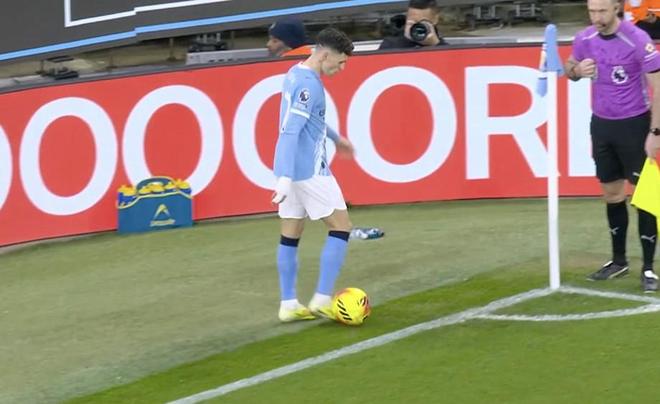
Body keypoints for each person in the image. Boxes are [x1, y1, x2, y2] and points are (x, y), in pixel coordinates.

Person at [565, 0, 660, 292]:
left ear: (616, 8)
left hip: (634, 124)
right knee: (611, 192)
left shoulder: (637, 39)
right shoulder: (585, 38)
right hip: (602, 124)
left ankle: (648, 267)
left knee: (644, 196)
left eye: (602, 11)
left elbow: (658, 86)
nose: (596, 17)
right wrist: (577, 70)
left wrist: (655, 131)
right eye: (592, 11)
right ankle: (619, 261)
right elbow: (568, 67)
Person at [271, 27, 356, 321]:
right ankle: (322, 299)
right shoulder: (311, 86)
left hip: (290, 170)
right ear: (324, 55)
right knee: (341, 227)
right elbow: (290, 131)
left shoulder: (295, 73)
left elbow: (309, 121)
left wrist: (335, 138)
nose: (341, 69)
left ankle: (288, 304)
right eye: (340, 62)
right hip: (309, 170)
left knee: (290, 234)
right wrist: (285, 177)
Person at [379, 0, 447, 50]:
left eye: (422, 22)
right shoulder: (390, 44)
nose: (416, 27)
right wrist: (405, 41)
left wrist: (436, 44)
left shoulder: (446, 48)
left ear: (435, 19)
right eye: (412, 22)